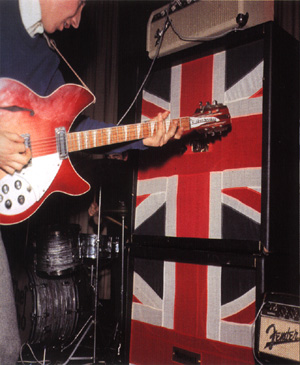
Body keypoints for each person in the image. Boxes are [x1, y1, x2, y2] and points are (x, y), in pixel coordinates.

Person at [0, 0, 183, 362]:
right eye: (81, 3)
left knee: (6, 349)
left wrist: (140, 137)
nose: (79, 19)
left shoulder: (44, 57)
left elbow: (71, 131)